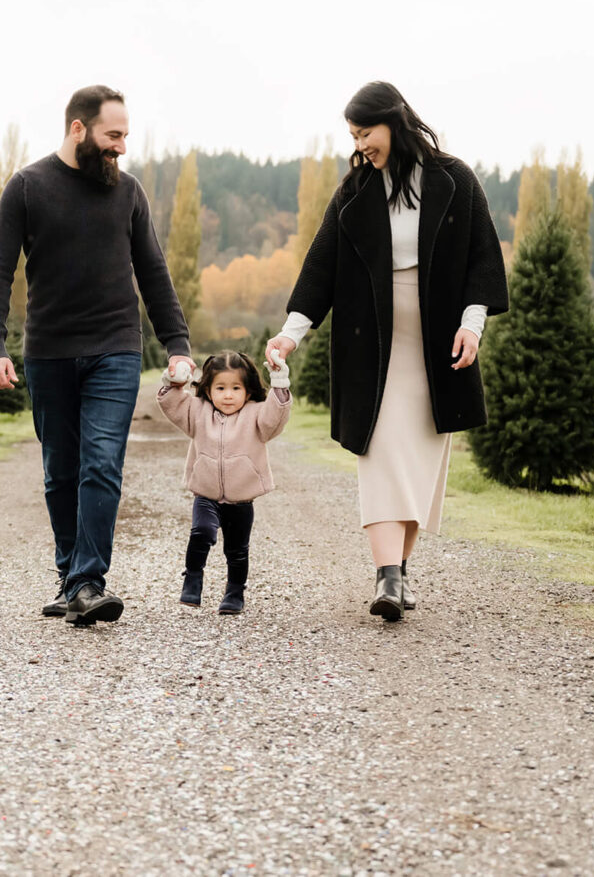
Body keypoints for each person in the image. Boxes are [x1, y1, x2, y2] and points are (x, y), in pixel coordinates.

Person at [268, 81, 508, 622]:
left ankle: (397, 573)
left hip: (436, 344)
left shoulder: (454, 180)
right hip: (371, 347)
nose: (361, 144)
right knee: (380, 453)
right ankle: (388, 577)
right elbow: (321, 267)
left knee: (419, 459)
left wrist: (473, 327)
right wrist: (291, 333)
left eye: (366, 132)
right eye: (353, 135)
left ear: (394, 122)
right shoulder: (354, 192)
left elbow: (482, 261)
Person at [0, 85, 194, 626]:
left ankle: (88, 581)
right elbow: (0, 270)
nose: (121, 147)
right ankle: (69, 577)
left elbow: (154, 272)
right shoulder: (27, 187)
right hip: (49, 352)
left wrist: (178, 346)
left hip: (115, 349)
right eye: (112, 135)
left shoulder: (129, 194)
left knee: (101, 464)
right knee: (61, 471)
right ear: (79, 129)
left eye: (125, 136)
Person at [155, 349, 291, 616]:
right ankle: (193, 578)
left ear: (248, 391)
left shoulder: (256, 415)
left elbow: (275, 419)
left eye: (235, 388)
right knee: (202, 531)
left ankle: (234, 592)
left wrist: (279, 385)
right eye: (220, 388)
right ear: (207, 389)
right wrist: (172, 383)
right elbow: (173, 404)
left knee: (237, 550)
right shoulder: (198, 412)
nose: (228, 395)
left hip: (241, 499)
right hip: (206, 494)